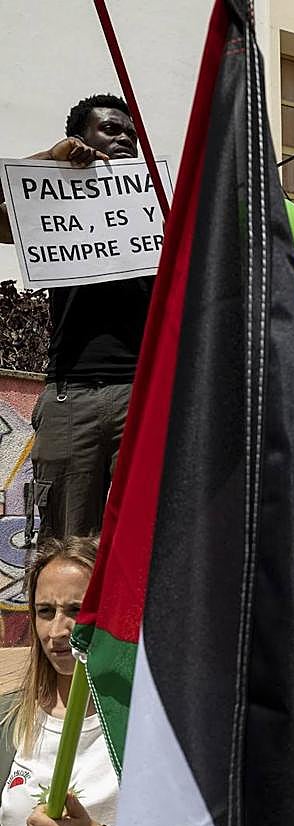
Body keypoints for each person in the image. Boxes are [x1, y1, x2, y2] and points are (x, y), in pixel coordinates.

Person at [0, 93, 152, 542]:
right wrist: (51, 160)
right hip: (71, 395)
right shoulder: (52, 207)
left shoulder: (156, 209)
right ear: (81, 139)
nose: (124, 138)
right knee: (67, 544)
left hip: (143, 395)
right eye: (111, 129)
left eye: (131, 133)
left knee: (149, 539)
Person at [0, 536, 117, 826]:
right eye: (46, 611)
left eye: (76, 610)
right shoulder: (8, 720)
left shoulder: (142, 725)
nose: (57, 631)